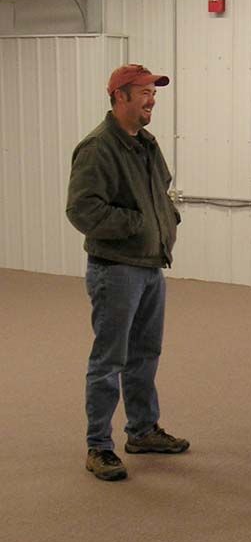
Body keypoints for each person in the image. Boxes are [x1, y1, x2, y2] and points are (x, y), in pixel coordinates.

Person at [66, 64, 189, 482]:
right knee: (109, 360)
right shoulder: (98, 148)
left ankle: (142, 430)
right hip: (116, 270)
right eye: (144, 93)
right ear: (120, 97)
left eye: (154, 93)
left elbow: (161, 191)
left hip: (151, 266)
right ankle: (99, 446)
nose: (152, 99)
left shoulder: (148, 144)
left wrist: (166, 219)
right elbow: (82, 210)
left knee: (145, 354)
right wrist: (139, 226)